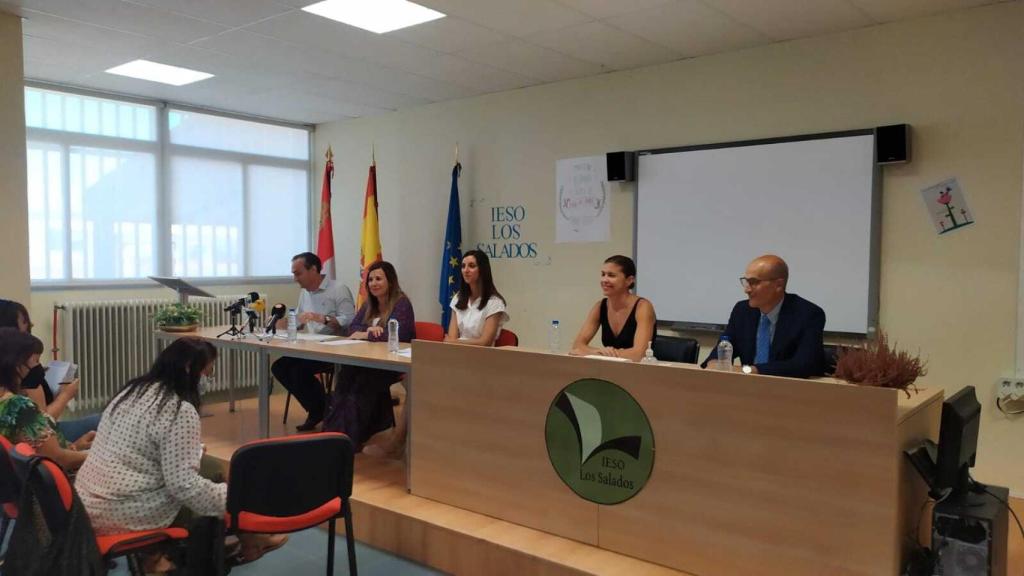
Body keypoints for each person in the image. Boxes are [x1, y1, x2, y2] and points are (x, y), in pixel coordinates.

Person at [75, 338, 287, 571]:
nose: (208, 378)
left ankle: (247, 539)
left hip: (88, 503)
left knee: (211, 467)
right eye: (208, 371)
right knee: (210, 502)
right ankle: (204, 556)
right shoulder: (179, 410)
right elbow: (184, 486)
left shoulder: (132, 391)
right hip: (127, 510)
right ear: (189, 369)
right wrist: (236, 501)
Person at [323, 260, 415, 452]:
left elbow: (399, 334)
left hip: (391, 364)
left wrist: (367, 334)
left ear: (390, 281)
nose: (374, 283)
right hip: (367, 360)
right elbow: (352, 329)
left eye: (378, 279)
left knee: (362, 383)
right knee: (345, 377)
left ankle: (349, 438)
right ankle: (333, 434)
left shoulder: (401, 303)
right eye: (370, 280)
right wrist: (368, 331)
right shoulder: (369, 304)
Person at [701, 254, 826, 378]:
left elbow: (803, 365)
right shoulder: (742, 311)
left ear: (778, 285)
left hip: (789, 387)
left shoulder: (808, 314)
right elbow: (724, 346)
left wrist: (750, 370)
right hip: (747, 386)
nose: (747, 290)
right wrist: (714, 363)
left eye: (753, 282)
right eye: (746, 282)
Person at [271, 252, 356, 431]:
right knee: (279, 367)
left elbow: (350, 321)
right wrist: (279, 323)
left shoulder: (339, 289)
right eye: (294, 274)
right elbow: (299, 322)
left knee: (298, 372)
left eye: (298, 273)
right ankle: (322, 408)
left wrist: (323, 318)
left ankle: (319, 409)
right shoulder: (305, 293)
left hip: (335, 349)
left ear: (314, 269)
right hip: (311, 347)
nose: (295, 279)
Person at [0, 299, 100, 442]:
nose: (31, 325)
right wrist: (65, 395)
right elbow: (41, 423)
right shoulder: (20, 389)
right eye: (24, 321)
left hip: (40, 435)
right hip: (47, 434)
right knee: (103, 419)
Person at [0, 327, 91, 472]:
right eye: (35, 361)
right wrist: (96, 456)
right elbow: (57, 459)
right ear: (17, 365)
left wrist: (75, 447)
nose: (40, 367)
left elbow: (41, 451)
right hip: (58, 480)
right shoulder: (19, 406)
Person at [570, 255, 657, 363]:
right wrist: (600, 352)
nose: (604, 280)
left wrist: (598, 354)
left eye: (611, 275)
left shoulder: (643, 307)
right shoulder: (600, 306)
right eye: (603, 274)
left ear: (629, 280)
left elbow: (639, 354)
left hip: (639, 370)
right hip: (610, 368)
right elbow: (577, 346)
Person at [444, 249, 509, 345]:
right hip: (458, 352)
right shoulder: (458, 298)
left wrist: (454, 342)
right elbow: (452, 338)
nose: (466, 270)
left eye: (471, 266)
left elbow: (484, 342)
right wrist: (453, 342)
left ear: (482, 270)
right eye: (463, 266)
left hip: (482, 353)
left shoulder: (495, 303)